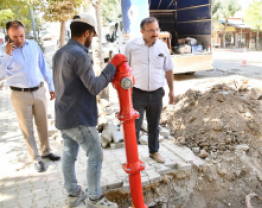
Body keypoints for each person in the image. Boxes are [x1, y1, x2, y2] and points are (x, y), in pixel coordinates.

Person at [52, 13, 124, 208]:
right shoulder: (79, 55)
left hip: (63, 114)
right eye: (93, 35)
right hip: (79, 117)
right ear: (86, 33)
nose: (93, 40)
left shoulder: (60, 53)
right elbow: (94, 87)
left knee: (69, 154)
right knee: (95, 155)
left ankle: (74, 194)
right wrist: (112, 67)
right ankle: (95, 199)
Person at [0, 21, 60, 172]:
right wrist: (7, 55)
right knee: (27, 129)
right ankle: (36, 158)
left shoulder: (33, 45)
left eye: (21, 35)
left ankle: (46, 152)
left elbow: (43, 66)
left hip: (39, 91)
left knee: (43, 125)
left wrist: (51, 86)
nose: (19, 40)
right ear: (8, 35)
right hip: (20, 95)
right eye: (15, 37)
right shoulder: (3, 51)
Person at [124, 17, 175, 163]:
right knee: (134, 128)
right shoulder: (131, 47)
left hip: (156, 93)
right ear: (142, 31)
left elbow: (169, 69)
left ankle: (154, 151)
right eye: (151, 30)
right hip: (137, 93)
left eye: (157, 29)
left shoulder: (162, 47)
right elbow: (122, 70)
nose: (155, 33)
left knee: (154, 126)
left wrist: (172, 90)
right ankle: (133, 157)